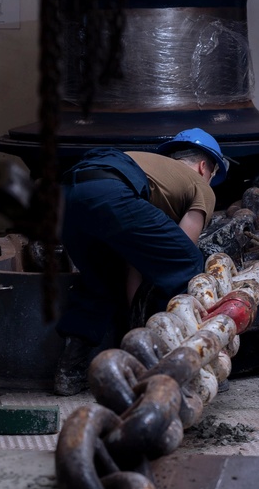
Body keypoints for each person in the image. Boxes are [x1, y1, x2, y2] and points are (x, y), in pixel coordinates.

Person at [54, 127, 227, 396]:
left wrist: (133, 320)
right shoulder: (200, 186)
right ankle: (186, 365)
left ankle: (69, 370)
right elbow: (181, 249)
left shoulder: (154, 172)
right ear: (204, 167)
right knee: (187, 263)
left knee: (101, 280)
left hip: (68, 193)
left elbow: (135, 260)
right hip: (111, 188)